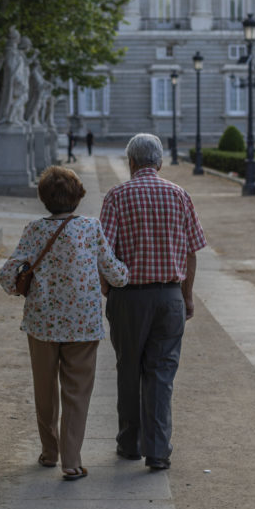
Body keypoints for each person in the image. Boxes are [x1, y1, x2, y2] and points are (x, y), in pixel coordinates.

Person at [0, 166, 129, 481]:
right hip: (82, 323)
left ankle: (49, 452)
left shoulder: (33, 229)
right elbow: (116, 274)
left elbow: (7, 277)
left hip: (42, 322)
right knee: (77, 392)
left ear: (44, 198)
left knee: (45, 389)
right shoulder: (90, 228)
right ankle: (71, 460)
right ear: (78, 196)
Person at [99, 134, 207, 471]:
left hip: (129, 296)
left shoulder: (117, 196)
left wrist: (108, 290)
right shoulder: (180, 195)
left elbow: (103, 252)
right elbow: (191, 252)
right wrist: (186, 295)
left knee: (129, 368)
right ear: (159, 163)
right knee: (161, 373)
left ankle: (129, 443)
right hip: (169, 295)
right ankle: (158, 450)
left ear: (130, 162)